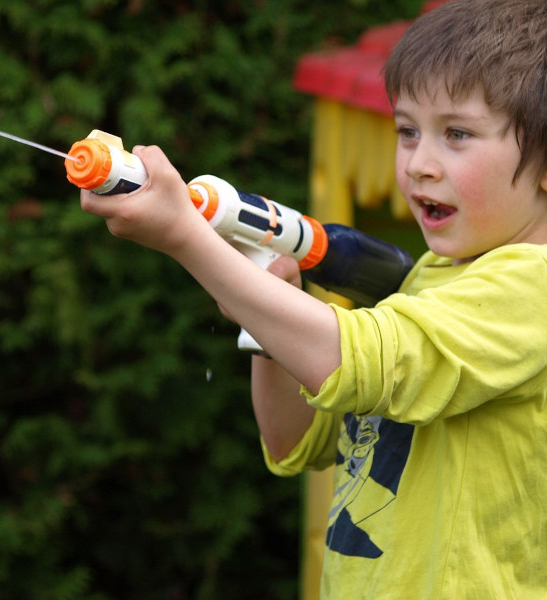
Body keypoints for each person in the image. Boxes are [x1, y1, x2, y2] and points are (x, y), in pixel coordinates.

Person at [80, 0, 547, 597]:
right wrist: (267, 313)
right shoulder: (434, 279)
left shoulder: (529, 285)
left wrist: (186, 238)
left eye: (457, 133)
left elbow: (358, 362)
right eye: (408, 131)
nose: (419, 165)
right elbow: (294, 440)